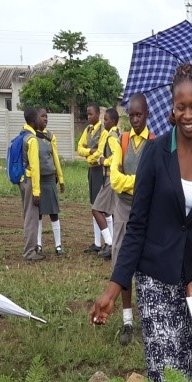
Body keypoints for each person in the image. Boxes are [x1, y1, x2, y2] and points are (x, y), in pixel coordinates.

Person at [89, 65, 192, 382]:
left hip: (189, 283)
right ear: (172, 110)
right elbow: (137, 224)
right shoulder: (155, 153)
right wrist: (113, 288)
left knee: (185, 376)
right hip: (154, 280)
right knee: (163, 377)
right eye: (181, 107)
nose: (188, 114)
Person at [108, 93, 154, 345]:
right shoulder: (122, 141)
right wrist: (140, 182)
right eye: (132, 115)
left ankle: (147, 318)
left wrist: (130, 182)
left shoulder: (155, 143)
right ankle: (127, 321)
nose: (135, 119)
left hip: (147, 211)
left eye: (140, 114)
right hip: (124, 210)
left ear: (147, 114)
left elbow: (155, 181)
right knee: (122, 263)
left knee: (147, 267)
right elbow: (115, 180)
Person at [31, 108, 65, 257]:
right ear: (35, 118)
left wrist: (61, 178)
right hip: (38, 180)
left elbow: (55, 158)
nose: (45, 119)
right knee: (38, 213)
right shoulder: (31, 137)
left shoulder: (51, 137)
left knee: (53, 212)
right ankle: (38, 244)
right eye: (42, 116)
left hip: (50, 179)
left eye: (46, 116)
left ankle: (58, 245)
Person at [91, 108, 122, 259]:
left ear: (114, 121)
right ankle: (115, 243)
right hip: (114, 179)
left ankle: (109, 243)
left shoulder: (111, 137)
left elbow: (117, 156)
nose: (104, 122)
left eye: (107, 119)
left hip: (110, 178)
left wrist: (104, 161)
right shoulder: (119, 135)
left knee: (96, 209)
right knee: (113, 213)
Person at [77, 103, 106, 253]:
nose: (88, 117)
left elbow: (100, 151)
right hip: (92, 171)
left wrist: (89, 157)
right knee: (94, 206)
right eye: (87, 114)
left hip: (101, 170)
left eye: (91, 114)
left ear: (98, 114)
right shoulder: (87, 130)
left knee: (102, 208)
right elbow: (79, 148)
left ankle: (109, 242)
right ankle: (97, 243)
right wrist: (90, 151)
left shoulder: (103, 130)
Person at [19, 107, 45, 262]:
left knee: (28, 215)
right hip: (30, 182)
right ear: (34, 120)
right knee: (31, 217)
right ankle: (30, 252)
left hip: (22, 180)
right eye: (38, 118)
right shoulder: (32, 140)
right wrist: (37, 191)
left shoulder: (23, 135)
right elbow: (35, 167)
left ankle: (32, 248)